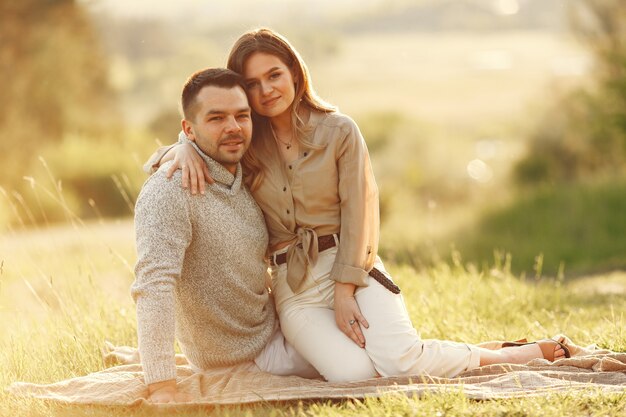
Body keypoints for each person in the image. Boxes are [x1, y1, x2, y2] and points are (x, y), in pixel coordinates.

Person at [146, 28, 578, 383]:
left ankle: (516, 356)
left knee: (401, 361)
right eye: (253, 84)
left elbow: (361, 212)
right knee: (355, 376)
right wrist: (177, 147)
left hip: (352, 265)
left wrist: (344, 288)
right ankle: (465, 353)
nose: (265, 90)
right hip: (293, 286)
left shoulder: (339, 131)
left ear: (295, 72)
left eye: (274, 75)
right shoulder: (247, 140)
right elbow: (208, 131)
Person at [132, 67, 319, 404]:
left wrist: (174, 147)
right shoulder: (170, 191)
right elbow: (153, 285)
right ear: (189, 129)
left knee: (375, 328)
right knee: (366, 363)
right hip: (251, 357)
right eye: (216, 118)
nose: (233, 127)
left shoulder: (246, 171)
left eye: (241, 116)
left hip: (281, 323)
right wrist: (161, 386)